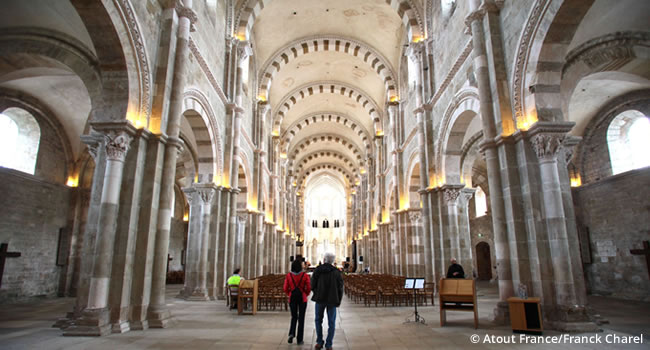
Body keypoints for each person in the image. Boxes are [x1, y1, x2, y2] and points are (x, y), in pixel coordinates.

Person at [311, 252, 343, 350]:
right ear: (333, 261)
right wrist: (338, 300)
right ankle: (329, 344)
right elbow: (340, 288)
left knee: (318, 320)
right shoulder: (337, 272)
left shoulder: (318, 270)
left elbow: (312, 284)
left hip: (320, 299)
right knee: (332, 322)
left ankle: (319, 342)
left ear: (324, 259)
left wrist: (317, 292)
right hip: (332, 300)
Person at [283, 259, 311, 345]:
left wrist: (290, 293)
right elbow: (309, 287)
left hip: (292, 298)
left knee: (294, 316)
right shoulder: (305, 275)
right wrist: (305, 294)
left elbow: (285, 288)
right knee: (301, 318)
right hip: (302, 298)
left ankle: (291, 333)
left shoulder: (289, 276)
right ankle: (299, 339)